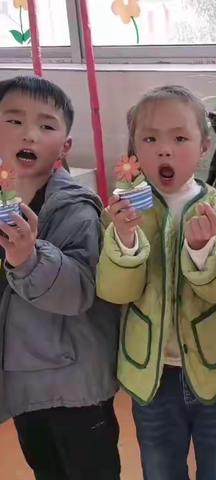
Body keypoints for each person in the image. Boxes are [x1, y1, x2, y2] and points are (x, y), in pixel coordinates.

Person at [96, 85, 216, 480]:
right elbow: (116, 292)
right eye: (150, 139)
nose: (164, 150)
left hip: (215, 366)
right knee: (160, 465)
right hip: (151, 373)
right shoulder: (123, 212)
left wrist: (202, 252)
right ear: (134, 152)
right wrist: (126, 239)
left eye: (179, 138)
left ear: (203, 147)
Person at [0, 75, 120, 480]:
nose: (29, 134)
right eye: (14, 121)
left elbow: (79, 292)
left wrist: (28, 258)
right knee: (46, 469)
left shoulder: (75, 209)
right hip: (23, 381)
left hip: (74, 386)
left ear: (64, 146)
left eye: (46, 126)